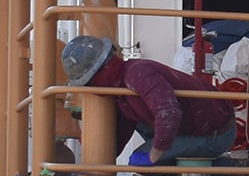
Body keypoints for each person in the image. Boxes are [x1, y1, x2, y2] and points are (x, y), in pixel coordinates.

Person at [61, 35, 239, 165]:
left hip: (216, 134)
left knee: (141, 160)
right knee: (143, 157)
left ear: (99, 74)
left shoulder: (138, 74)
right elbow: (120, 134)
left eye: (88, 83)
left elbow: (168, 111)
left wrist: (155, 154)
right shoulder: (121, 90)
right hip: (199, 127)